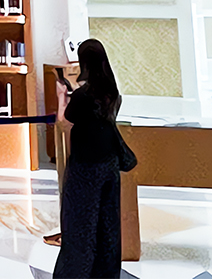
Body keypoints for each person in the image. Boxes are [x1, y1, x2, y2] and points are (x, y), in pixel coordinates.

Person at [53, 38, 124, 278]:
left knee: (80, 225)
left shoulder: (83, 96)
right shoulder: (113, 93)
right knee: (107, 225)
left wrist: (62, 97)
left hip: (85, 168)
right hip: (110, 165)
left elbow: (65, 122)